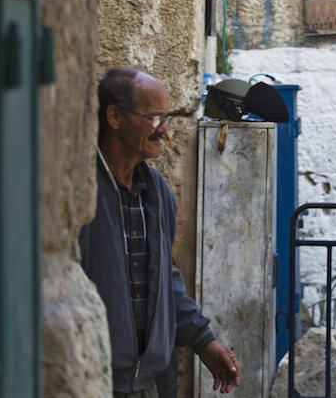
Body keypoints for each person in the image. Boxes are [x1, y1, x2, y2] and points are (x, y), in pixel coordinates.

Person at [80, 67, 240, 397]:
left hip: (151, 383)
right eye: (154, 118)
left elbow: (163, 279)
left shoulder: (157, 192)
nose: (165, 131)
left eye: (166, 119)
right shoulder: (79, 189)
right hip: (88, 379)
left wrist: (204, 341)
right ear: (114, 116)